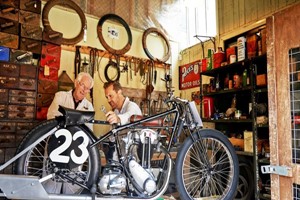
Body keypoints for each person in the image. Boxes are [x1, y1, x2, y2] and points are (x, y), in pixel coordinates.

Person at [103, 81, 142, 161]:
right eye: (107, 97)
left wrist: (118, 119)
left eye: (110, 96)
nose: (108, 100)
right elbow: (112, 137)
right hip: (122, 157)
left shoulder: (132, 106)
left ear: (119, 92)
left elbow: (129, 116)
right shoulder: (116, 112)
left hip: (135, 158)